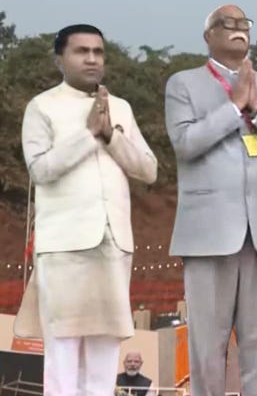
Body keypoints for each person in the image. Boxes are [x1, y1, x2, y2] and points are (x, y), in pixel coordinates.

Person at [164, 5, 257, 396]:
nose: (239, 29)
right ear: (208, 35)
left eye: (244, 24)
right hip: (208, 232)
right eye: (227, 24)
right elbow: (186, 144)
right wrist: (233, 107)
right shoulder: (184, 84)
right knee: (207, 346)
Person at [15, 24, 158, 396]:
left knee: (105, 350)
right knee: (62, 352)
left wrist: (110, 135)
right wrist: (88, 134)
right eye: (81, 51)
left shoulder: (121, 107)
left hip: (113, 244)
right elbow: (41, 170)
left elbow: (148, 169)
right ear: (60, 59)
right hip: (64, 245)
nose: (92, 59)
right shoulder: (42, 107)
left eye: (98, 51)